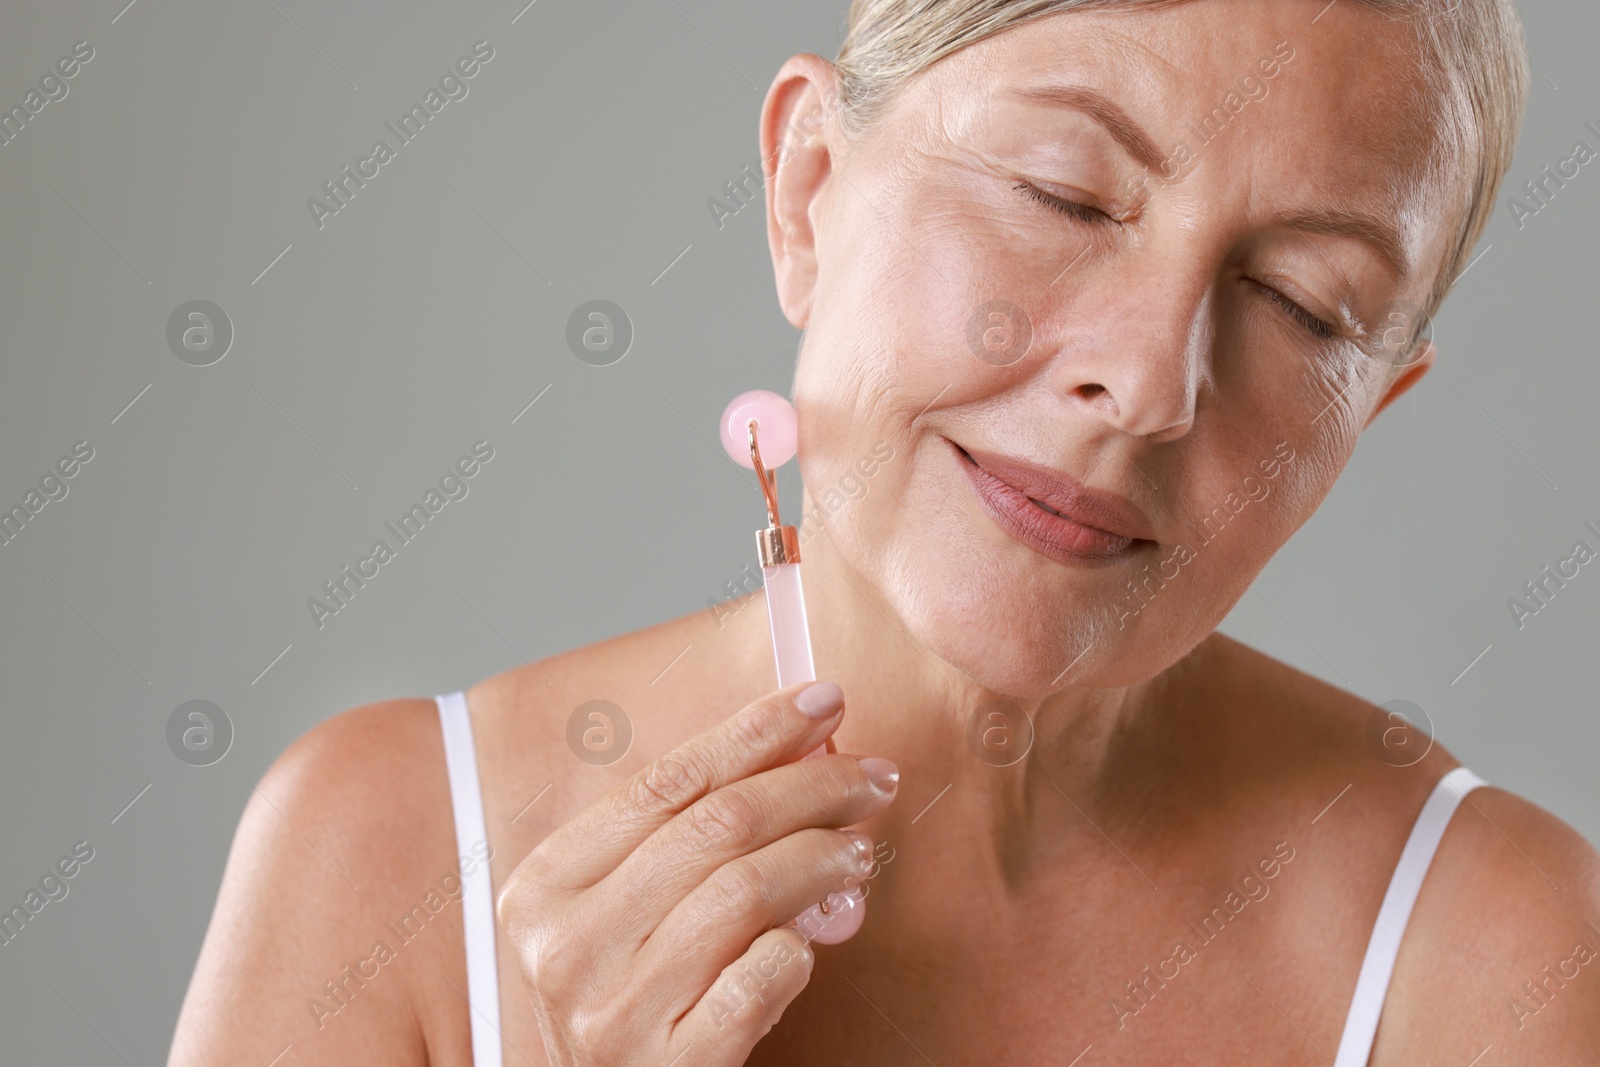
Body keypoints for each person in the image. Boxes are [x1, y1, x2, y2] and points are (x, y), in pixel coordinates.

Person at [168, 1, 1600, 1063]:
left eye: (1301, 301)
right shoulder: (385, 862)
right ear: (807, 195)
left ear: (1374, 409)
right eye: (1065, 191)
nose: (1152, 382)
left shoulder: (1501, 958)